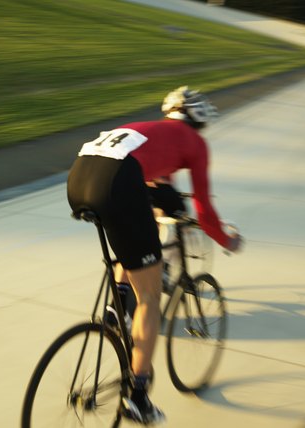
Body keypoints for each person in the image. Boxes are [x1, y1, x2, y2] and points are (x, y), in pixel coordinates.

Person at [66, 86, 242, 425]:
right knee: (149, 295)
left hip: (80, 178)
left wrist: (163, 204)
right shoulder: (195, 143)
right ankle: (138, 398)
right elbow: (204, 208)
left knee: (129, 245)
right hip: (119, 180)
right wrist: (226, 240)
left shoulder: (150, 130)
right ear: (199, 121)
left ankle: (116, 310)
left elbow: (157, 184)